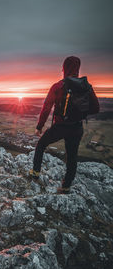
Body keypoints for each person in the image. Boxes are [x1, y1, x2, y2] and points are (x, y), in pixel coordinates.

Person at [29, 56, 100, 194]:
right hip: (77, 127)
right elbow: (96, 108)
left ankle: (35, 173)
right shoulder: (86, 86)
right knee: (72, 157)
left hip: (60, 127)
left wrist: (39, 127)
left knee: (41, 145)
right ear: (78, 69)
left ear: (64, 68)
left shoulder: (58, 86)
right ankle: (66, 186)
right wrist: (81, 113)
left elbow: (46, 108)